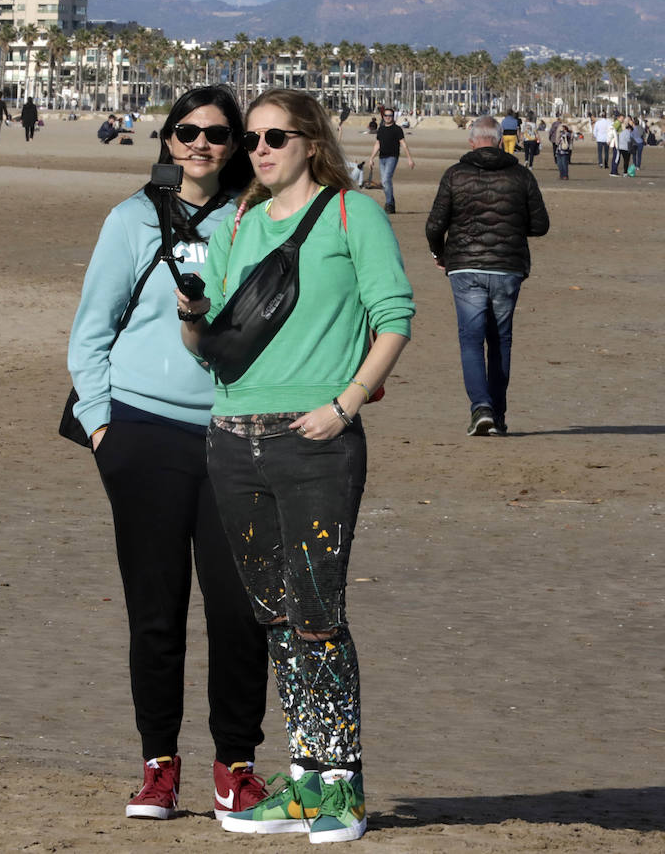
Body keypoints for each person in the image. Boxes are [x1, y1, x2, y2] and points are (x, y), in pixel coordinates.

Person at [178, 88, 414, 844]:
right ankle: (306, 781)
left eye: (277, 136)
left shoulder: (354, 215)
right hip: (230, 435)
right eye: (252, 139)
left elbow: (394, 318)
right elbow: (205, 346)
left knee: (318, 616)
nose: (261, 149)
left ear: (312, 142)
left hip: (314, 440)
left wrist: (343, 407)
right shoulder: (239, 223)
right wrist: (189, 313)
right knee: (274, 617)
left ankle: (342, 786)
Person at [66, 85, 271, 824]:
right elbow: (91, 328)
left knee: (240, 612)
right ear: (167, 138)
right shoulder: (129, 220)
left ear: (239, 144)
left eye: (217, 134)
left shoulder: (258, 220)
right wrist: (100, 426)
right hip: (141, 434)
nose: (200, 145)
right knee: (156, 613)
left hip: (233, 435)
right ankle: (158, 767)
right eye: (186, 132)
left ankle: (235, 769)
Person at [425, 115, 550, 437]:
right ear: (500, 139)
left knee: (471, 341)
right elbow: (539, 225)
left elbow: (435, 224)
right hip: (507, 266)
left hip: (466, 266)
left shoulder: (455, 174)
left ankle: (482, 408)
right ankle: (497, 413)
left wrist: (440, 254)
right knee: (499, 341)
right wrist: (510, 228)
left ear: (471, 141)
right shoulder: (521, 175)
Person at [365, 107, 414, 214]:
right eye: (386, 115)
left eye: (390, 116)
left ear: (393, 117)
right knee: (384, 182)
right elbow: (377, 144)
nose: (388, 117)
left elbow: (403, 144)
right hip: (382, 157)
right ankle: (391, 203)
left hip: (392, 157)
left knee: (386, 179)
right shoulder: (381, 129)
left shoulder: (397, 129)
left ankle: (389, 204)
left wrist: (409, 159)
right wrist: (371, 158)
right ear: (383, 117)